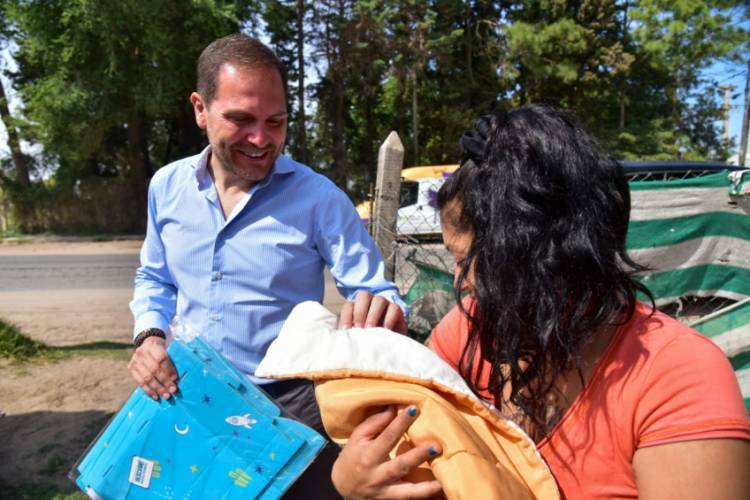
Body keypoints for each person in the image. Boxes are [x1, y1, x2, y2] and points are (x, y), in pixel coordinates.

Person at [331, 105, 750, 499]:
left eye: (467, 262)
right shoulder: (468, 331)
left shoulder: (677, 378)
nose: (460, 282)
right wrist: (354, 478)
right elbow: (399, 440)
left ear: (542, 261)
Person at [126, 33, 406, 497]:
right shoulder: (166, 187)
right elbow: (154, 276)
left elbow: (376, 290)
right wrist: (149, 335)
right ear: (200, 109)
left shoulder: (319, 199)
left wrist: (380, 310)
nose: (261, 139)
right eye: (241, 119)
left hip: (291, 409)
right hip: (191, 396)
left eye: (275, 122)